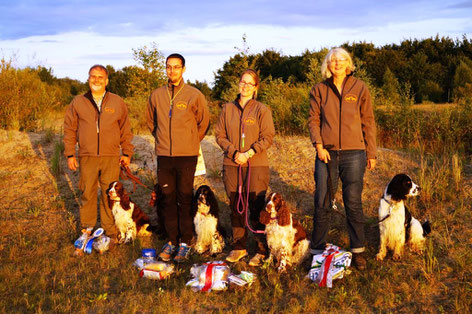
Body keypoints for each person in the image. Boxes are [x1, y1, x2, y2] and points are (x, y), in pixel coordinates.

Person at [307, 47, 377, 271]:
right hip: (326, 153)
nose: (337, 63)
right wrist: (318, 146)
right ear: (327, 65)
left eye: (341, 60)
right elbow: (313, 121)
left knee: (353, 203)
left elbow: (368, 121)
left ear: (348, 64)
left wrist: (371, 152)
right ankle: (317, 251)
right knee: (322, 201)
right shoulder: (318, 89)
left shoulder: (359, 87)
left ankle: (358, 250)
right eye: (332, 60)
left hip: (354, 153)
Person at [146, 53, 210, 263]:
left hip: (187, 156)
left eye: (176, 67)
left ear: (183, 69)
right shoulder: (156, 95)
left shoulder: (194, 94)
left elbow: (204, 122)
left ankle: (185, 241)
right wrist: (163, 139)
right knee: (167, 197)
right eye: (168, 67)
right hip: (165, 155)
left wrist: (190, 141)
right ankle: (172, 240)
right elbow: (151, 122)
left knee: (184, 197)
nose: (172, 71)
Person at [64, 64, 134, 240]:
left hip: (110, 156)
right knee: (87, 193)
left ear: (107, 80)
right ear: (88, 78)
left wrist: (126, 153)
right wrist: (70, 154)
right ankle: (86, 230)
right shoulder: (78, 102)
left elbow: (126, 129)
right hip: (87, 156)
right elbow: (69, 130)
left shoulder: (117, 101)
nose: (96, 80)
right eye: (93, 76)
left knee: (109, 194)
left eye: (100, 77)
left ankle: (109, 231)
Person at [215, 69, 275, 266]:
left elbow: (267, 137)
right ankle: (239, 246)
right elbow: (220, 136)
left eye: (250, 83)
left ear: (256, 87)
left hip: (255, 164)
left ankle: (261, 248)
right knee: (236, 205)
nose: (246, 86)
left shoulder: (262, 110)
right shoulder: (227, 109)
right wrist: (234, 153)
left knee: (256, 206)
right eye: (243, 82)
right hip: (231, 164)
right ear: (238, 83)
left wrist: (248, 153)